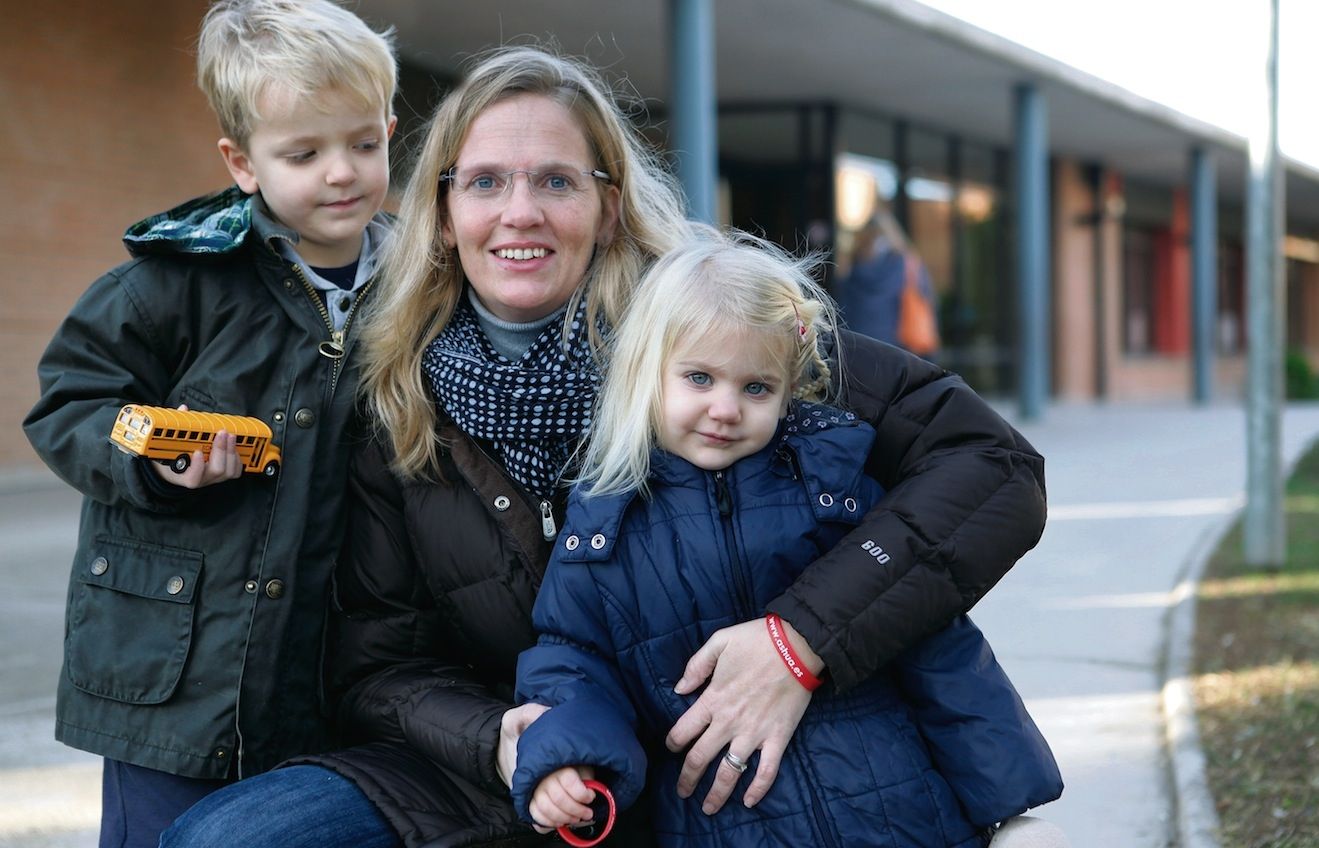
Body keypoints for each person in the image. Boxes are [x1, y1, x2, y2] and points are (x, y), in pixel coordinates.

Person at [162, 44, 1047, 848]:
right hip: (519, 761)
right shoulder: (397, 395)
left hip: (722, 758)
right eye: (485, 182)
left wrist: (801, 638)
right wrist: (497, 740)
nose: (520, 213)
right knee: (225, 842)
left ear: (608, 206)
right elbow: (379, 665)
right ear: (443, 211)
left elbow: (993, 468)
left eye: (555, 181)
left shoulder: (719, 334)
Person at [513, 230, 1062, 847]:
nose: (726, 409)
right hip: (726, 827)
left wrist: (1008, 807)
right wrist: (567, 758)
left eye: (756, 388)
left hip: (901, 815)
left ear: (788, 391)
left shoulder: (832, 489)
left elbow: (940, 649)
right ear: (646, 373)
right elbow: (574, 663)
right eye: (699, 378)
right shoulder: (604, 529)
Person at [20, 1, 397, 845]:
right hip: (174, 671)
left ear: (388, 132)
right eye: (304, 153)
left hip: (324, 668)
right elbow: (70, 403)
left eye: (363, 144)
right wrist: (150, 462)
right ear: (243, 162)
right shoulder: (172, 282)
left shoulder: (420, 284)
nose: (341, 173)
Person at [837, 206, 940, 355]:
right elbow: (926, 298)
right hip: (897, 349)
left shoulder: (851, 269)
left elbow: (842, 309)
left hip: (857, 347)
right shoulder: (908, 266)